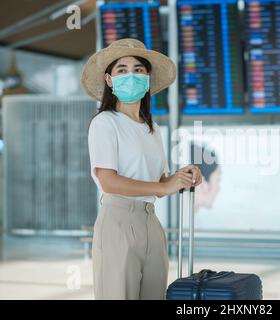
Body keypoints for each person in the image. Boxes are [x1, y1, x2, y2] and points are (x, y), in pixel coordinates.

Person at [81, 38, 202, 300]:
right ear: (109, 80)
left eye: (138, 69)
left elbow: (158, 183)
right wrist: (163, 186)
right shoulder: (105, 123)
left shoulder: (153, 129)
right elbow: (108, 181)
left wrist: (181, 177)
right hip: (118, 221)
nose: (131, 75)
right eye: (121, 70)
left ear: (147, 78)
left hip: (151, 223)